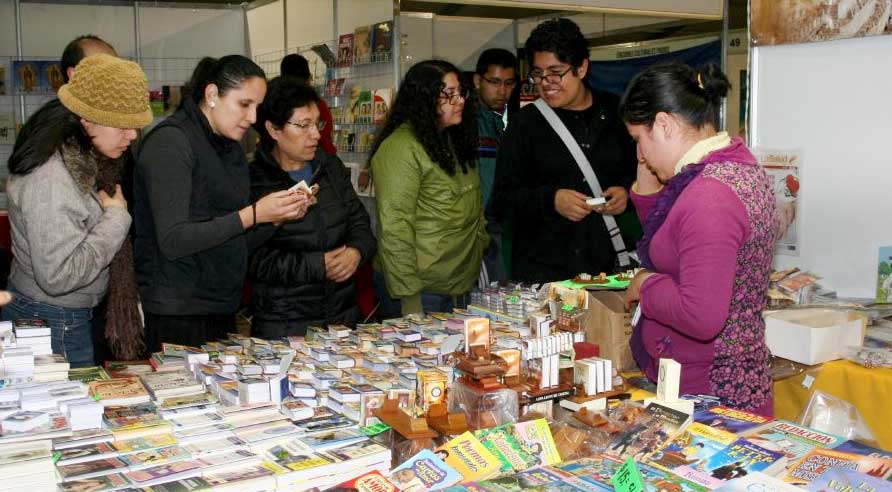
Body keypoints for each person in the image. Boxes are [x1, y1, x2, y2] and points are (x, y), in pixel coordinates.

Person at [621, 62, 775, 415]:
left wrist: (645, 285)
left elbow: (701, 315)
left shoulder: (709, 195)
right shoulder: (731, 168)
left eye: (638, 141)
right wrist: (647, 189)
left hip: (712, 396)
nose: (640, 155)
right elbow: (677, 246)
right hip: (721, 383)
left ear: (663, 124)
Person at [134, 55, 312, 350]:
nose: (253, 118)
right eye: (244, 104)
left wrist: (276, 217)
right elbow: (174, 239)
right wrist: (254, 214)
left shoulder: (228, 146)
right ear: (212, 95)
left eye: (257, 106)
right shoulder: (171, 142)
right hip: (178, 311)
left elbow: (231, 237)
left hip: (221, 305)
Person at [4, 54, 151, 367]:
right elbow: (58, 276)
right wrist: (115, 219)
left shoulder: (84, 157)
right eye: (123, 125)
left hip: (59, 316)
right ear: (86, 117)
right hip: (52, 320)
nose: (133, 135)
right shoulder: (50, 176)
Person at [489, 18, 637, 283]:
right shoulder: (524, 125)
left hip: (607, 269)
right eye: (538, 74)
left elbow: (646, 176)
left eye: (556, 72)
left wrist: (626, 193)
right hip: (544, 274)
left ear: (581, 68)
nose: (546, 83)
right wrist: (551, 200)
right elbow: (501, 201)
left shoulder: (617, 114)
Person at [249, 77, 375, 337]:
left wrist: (356, 252)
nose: (316, 134)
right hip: (284, 324)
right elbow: (252, 258)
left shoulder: (330, 168)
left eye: (317, 123)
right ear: (273, 129)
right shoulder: (252, 181)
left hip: (343, 317)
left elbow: (360, 222)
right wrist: (317, 265)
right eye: (303, 125)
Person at [370, 59, 488, 317]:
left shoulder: (453, 138)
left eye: (460, 92)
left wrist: (481, 243)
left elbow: (474, 208)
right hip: (421, 290)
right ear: (424, 99)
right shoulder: (401, 148)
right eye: (448, 94)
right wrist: (409, 299)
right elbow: (394, 228)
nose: (459, 101)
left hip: (458, 283)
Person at [473, 48, 517, 283]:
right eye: (494, 82)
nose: (502, 91)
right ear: (478, 80)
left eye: (509, 83)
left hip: (495, 225)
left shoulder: (497, 123)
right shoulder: (465, 121)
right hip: (475, 227)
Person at [280, 54, 337, 156]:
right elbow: (326, 134)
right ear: (307, 78)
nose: (315, 134)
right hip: (321, 158)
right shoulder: (318, 104)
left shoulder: (277, 105)